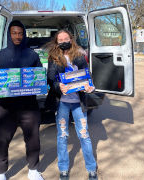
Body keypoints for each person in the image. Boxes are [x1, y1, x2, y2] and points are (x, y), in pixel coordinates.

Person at [0, 20, 44, 180]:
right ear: (9, 35)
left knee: (33, 140)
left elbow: (40, 76)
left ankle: (33, 170)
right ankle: (0, 172)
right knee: (2, 140)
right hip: (6, 107)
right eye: (14, 33)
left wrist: (44, 84)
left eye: (20, 33)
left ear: (24, 35)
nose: (17, 36)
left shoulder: (32, 55)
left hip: (29, 107)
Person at [46, 29, 98, 180]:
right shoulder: (53, 57)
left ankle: (92, 169)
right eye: (60, 40)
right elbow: (51, 79)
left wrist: (90, 87)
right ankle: (63, 169)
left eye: (66, 38)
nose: (63, 41)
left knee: (84, 135)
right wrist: (58, 87)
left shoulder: (80, 56)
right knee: (62, 136)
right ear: (57, 42)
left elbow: (88, 77)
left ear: (71, 39)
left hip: (78, 102)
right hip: (62, 102)